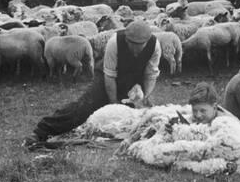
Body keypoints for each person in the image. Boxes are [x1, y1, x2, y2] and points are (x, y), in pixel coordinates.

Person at [24, 20, 161, 149]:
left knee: (144, 113)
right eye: (131, 43)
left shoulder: (155, 46)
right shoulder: (114, 42)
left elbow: (150, 75)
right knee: (84, 106)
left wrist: (145, 96)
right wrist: (114, 105)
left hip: (135, 79)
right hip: (108, 76)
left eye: (140, 45)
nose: (135, 48)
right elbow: (110, 76)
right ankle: (41, 131)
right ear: (126, 38)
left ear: (147, 41)